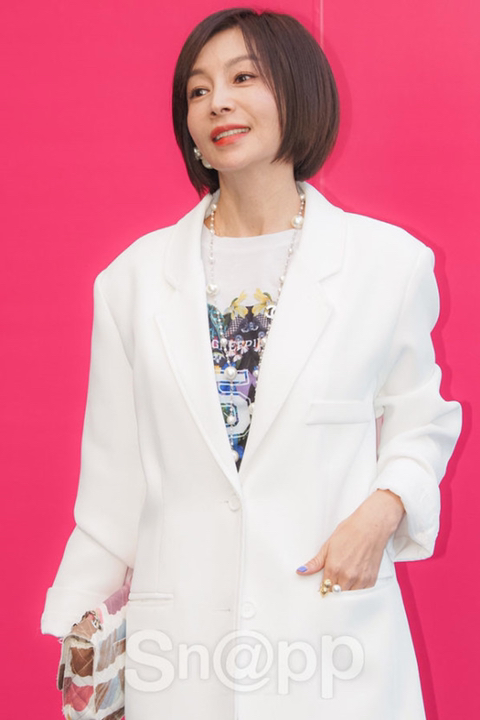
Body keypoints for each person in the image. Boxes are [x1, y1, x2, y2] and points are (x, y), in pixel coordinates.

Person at [41, 7, 462, 720]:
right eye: (198, 90)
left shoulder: (387, 265)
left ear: (297, 94)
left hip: (329, 636)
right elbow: (112, 484)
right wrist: (80, 637)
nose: (218, 103)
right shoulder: (132, 281)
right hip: (181, 651)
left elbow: (423, 420)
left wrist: (385, 508)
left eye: (243, 78)